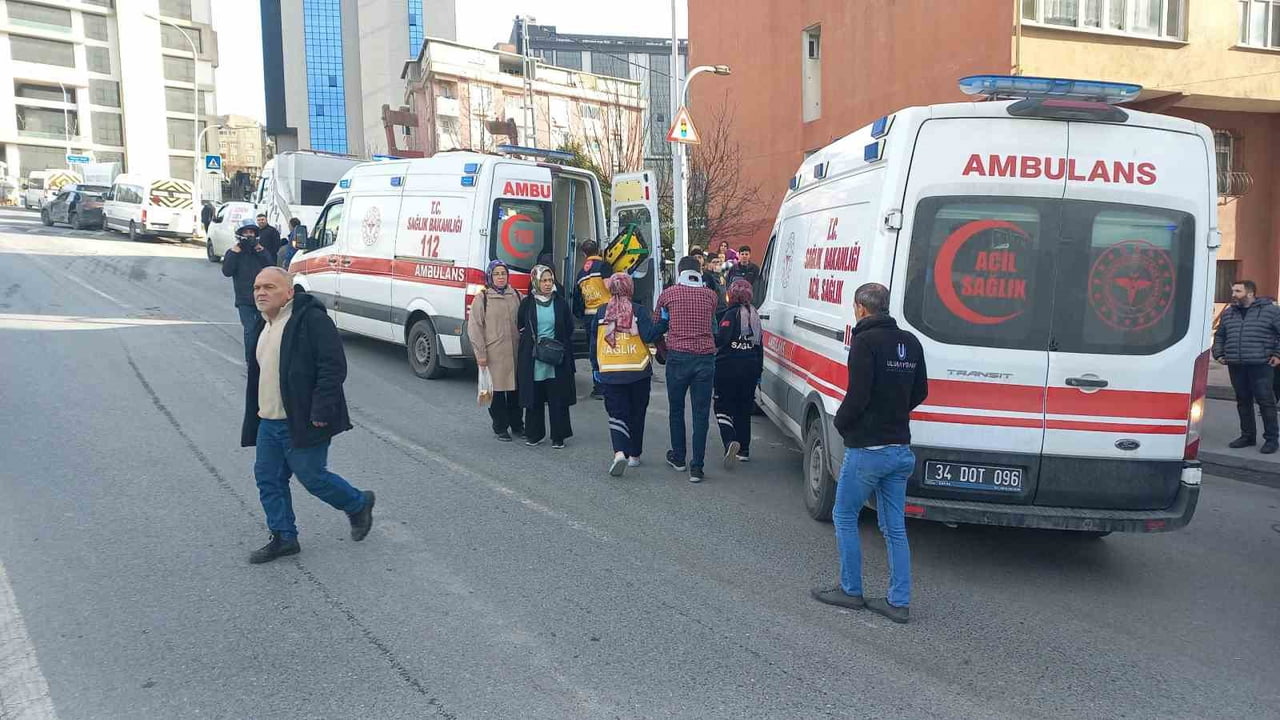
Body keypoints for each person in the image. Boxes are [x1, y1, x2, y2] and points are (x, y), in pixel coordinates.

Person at [240, 267, 375, 564]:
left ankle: (358, 503)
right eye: (257, 287)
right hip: (269, 420)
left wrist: (321, 409)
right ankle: (284, 536)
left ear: (289, 292)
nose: (261, 293)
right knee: (268, 478)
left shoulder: (311, 320)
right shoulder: (263, 323)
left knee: (312, 477)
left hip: (302, 418)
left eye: (269, 287)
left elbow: (333, 366)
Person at [811, 283, 927, 624]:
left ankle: (850, 590)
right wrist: (894, 412)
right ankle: (898, 601)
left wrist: (843, 425)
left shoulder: (864, 342)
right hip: (900, 448)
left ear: (861, 308)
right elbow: (921, 390)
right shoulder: (911, 342)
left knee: (844, 515)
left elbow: (858, 394)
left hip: (868, 450)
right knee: (894, 528)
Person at [590, 272, 668, 476]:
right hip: (637, 370)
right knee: (637, 413)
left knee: (616, 413)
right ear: (629, 288)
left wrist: (595, 367)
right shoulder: (639, 310)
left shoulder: (600, 312)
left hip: (610, 370)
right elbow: (650, 335)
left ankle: (619, 453)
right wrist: (664, 323)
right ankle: (634, 455)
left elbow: (593, 343)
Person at [656, 256, 720, 482]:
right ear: (699, 271)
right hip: (705, 359)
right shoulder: (711, 296)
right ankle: (697, 466)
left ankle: (679, 456)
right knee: (701, 413)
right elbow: (713, 326)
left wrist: (663, 351)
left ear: (680, 272)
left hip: (678, 357)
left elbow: (658, 326)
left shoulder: (668, 295)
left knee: (676, 409)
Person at [1212, 280, 1280, 453]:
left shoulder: (1270, 312)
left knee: (1266, 402)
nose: (1233, 294)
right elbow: (1220, 335)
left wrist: (1277, 355)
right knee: (1243, 401)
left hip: (1261, 364)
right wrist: (1218, 353)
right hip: (1236, 364)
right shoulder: (1229, 313)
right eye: (1233, 290)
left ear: (1250, 293)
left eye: (1237, 291)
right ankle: (1248, 436)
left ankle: (1271, 440)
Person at [518, 265, 577, 448]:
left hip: (556, 357)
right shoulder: (527, 304)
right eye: (543, 280)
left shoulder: (560, 303)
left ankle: (558, 436)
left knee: (557, 397)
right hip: (534, 357)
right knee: (535, 396)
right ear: (535, 281)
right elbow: (520, 325)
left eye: (550, 280)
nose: (547, 284)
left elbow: (568, 326)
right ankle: (534, 434)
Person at [468, 260, 524, 441]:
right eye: (497, 274)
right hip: (494, 354)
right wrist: (481, 355)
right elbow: (475, 328)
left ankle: (517, 425)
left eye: (503, 274)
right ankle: (500, 426)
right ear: (490, 276)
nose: (500, 277)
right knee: (498, 392)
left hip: (515, 352)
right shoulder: (482, 298)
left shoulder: (515, 295)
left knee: (516, 391)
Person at [714, 280, 764, 466]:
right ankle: (744, 449)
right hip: (750, 368)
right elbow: (760, 346)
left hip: (728, 368)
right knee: (744, 409)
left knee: (722, 407)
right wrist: (758, 371)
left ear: (732, 295)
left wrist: (707, 336)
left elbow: (722, 339)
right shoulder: (755, 315)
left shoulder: (730, 314)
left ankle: (729, 440)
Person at [222, 221, 276, 363]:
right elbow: (227, 271)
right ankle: (251, 361)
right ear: (240, 235)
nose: (249, 235)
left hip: (263, 298)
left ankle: (265, 359)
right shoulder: (234, 253)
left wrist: (262, 252)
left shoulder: (261, 252)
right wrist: (234, 254)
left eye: (251, 232)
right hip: (244, 299)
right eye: (246, 233)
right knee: (250, 331)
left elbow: (271, 268)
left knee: (266, 330)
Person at [574, 240, 613, 399]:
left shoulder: (581, 274)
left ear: (584, 254)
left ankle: (598, 387)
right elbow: (610, 286)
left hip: (590, 316)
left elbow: (578, 300)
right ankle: (609, 386)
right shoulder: (604, 267)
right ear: (599, 250)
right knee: (608, 350)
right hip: (606, 314)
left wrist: (581, 315)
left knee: (594, 353)